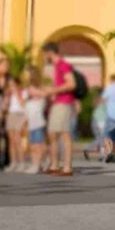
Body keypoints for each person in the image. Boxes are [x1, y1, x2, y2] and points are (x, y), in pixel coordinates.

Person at [42, 43, 76, 177]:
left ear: (50, 53)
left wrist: (53, 90)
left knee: (64, 134)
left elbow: (71, 84)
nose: (44, 57)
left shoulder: (63, 65)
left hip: (64, 103)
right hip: (57, 103)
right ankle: (55, 165)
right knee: (52, 133)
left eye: (45, 54)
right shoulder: (56, 67)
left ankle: (67, 168)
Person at [23, 69, 47, 174]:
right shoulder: (29, 100)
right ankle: (34, 164)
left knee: (38, 145)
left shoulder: (40, 97)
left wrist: (36, 92)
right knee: (32, 145)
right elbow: (26, 111)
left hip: (38, 123)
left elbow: (43, 95)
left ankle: (38, 164)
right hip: (31, 124)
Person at [4, 75, 27, 172]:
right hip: (11, 115)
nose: (11, 87)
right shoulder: (9, 94)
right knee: (11, 140)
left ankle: (21, 162)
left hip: (20, 115)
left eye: (13, 85)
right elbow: (5, 108)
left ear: (18, 85)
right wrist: (7, 98)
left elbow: (23, 104)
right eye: (9, 85)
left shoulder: (23, 92)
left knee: (17, 138)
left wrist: (17, 94)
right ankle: (13, 163)